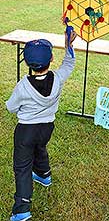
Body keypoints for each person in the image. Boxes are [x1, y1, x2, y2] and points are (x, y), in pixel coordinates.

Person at [6, 30, 76, 221]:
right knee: (40, 148)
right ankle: (44, 175)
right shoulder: (58, 78)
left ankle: (21, 210)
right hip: (46, 128)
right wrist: (69, 44)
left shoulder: (22, 86)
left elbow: (11, 107)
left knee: (22, 168)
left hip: (25, 131)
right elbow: (69, 63)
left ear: (27, 63)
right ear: (52, 58)